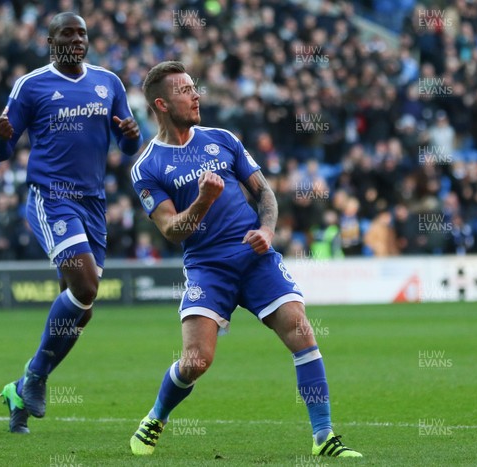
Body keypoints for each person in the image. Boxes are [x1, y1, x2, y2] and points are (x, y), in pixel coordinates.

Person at [129, 61, 361, 458]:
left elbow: (265, 193)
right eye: (184, 90)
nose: (195, 94)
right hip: (208, 267)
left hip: (255, 257)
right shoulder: (146, 166)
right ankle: (155, 418)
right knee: (196, 361)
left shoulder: (222, 139)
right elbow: (170, 230)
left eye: (193, 87)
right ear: (161, 104)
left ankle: (323, 436)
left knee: (302, 332)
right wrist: (203, 201)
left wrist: (267, 231)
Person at [0, 12, 142, 434]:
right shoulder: (31, 84)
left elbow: (129, 145)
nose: (77, 39)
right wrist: (1, 136)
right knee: (87, 287)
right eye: (67, 33)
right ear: (50, 41)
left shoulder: (108, 82)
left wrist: (132, 133)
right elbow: (1, 151)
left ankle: (20, 392)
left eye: (82, 33)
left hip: (92, 202)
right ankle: (36, 377)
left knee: (82, 312)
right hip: (51, 197)